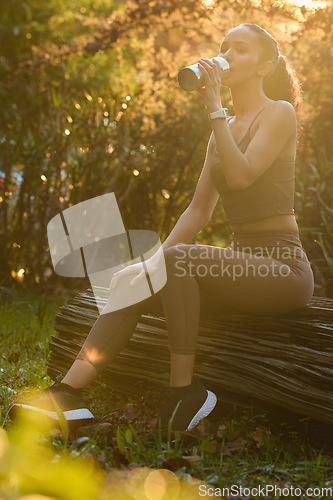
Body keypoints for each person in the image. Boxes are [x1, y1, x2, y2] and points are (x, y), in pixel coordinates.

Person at [10, 23, 314, 438]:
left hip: (281, 269)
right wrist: (147, 267)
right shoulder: (220, 131)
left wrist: (212, 106)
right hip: (240, 271)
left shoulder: (278, 113)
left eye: (239, 49)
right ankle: (67, 394)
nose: (225, 54)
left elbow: (242, 178)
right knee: (132, 277)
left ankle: (183, 394)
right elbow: (197, 211)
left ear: (265, 65)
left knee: (175, 260)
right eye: (224, 46)